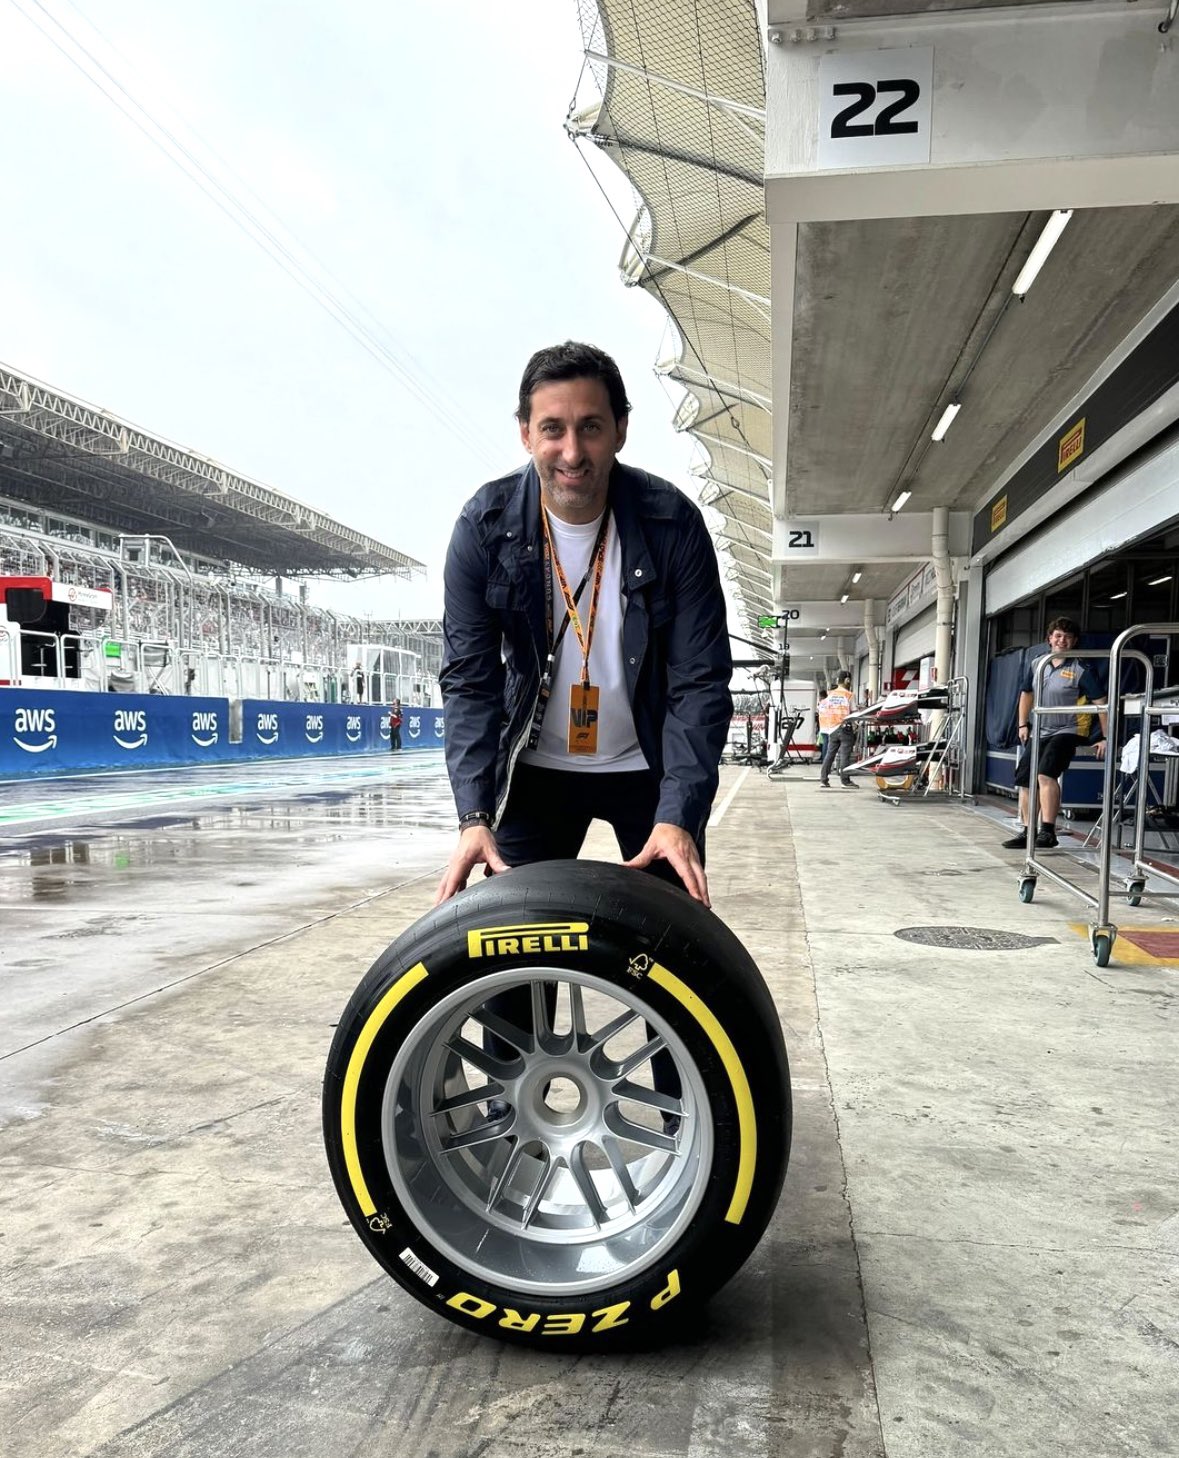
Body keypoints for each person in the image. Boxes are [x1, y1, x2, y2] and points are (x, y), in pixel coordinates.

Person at [434, 340, 733, 908]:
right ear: (525, 432)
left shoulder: (673, 525)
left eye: (590, 427)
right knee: (509, 958)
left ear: (620, 429)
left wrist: (680, 815)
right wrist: (473, 814)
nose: (571, 452)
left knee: (674, 952)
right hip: (535, 768)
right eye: (553, 429)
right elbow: (471, 681)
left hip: (649, 767)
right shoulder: (483, 527)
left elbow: (700, 681)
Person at [1001, 617, 1107, 849]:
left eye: (1068, 637)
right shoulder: (1037, 663)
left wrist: (1104, 736)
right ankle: (1028, 832)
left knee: (1045, 774)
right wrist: (1022, 724)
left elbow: (1101, 703)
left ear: (1074, 641)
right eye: (1058, 635)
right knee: (1026, 779)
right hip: (1040, 729)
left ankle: (1048, 831)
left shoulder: (1081, 668)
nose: (1062, 640)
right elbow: (1026, 694)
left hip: (1069, 729)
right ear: (1049, 639)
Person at [818, 672, 858, 788]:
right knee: (845, 754)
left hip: (832, 729)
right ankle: (845, 781)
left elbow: (823, 710)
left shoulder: (830, 695)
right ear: (847, 680)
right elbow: (854, 713)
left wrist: (826, 728)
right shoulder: (849, 695)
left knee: (830, 754)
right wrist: (857, 724)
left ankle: (823, 780)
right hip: (845, 728)